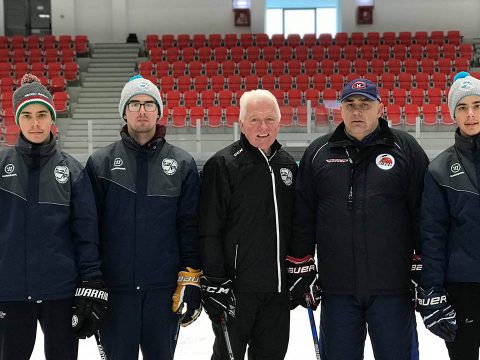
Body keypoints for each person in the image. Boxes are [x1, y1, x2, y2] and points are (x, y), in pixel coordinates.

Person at [287, 78, 429, 360]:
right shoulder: (319, 152)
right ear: (340, 109)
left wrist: (423, 265)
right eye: (350, 105)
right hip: (337, 289)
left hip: (392, 289)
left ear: (380, 109)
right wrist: (300, 264)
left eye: (365, 105)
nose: (357, 112)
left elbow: (422, 212)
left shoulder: (405, 149)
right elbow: (304, 215)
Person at [85, 75, 202, 360]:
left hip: (162, 292)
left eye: (149, 104)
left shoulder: (183, 164)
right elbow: (89, 230)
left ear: (159, 112)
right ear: (124, 111)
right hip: (116, 290)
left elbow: (190, 226)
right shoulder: (100, 163)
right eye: (134, 103)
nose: (141, 110)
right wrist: (91, 280)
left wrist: (191, 277)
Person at [0, 74, 107, 360]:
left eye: (42, 114)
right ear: (17, 120)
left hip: (60, 293)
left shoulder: (72, 170)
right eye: (28, 116)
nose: (35, 123)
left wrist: (91, 283)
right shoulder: (2, 166)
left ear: (52, 118)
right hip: (9, 292)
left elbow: (86, 235)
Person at [199, 89, 297, 360]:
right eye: (254, 119)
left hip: (277, 291)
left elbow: (296, 225)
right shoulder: (224, 163)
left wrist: (299, 270)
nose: (262, 127)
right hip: (235, 291)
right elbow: (209, 228)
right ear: (241, 124)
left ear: (279, 122)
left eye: (269, 119)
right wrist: (215, 280)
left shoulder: (287, 165)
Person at [418, 71, 480, 360]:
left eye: (477, 106)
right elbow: (432, 237)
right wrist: (432, 290)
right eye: (462, 107)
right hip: (462, 289)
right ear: (453, 114)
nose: (470, 114)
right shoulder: (439, 169)